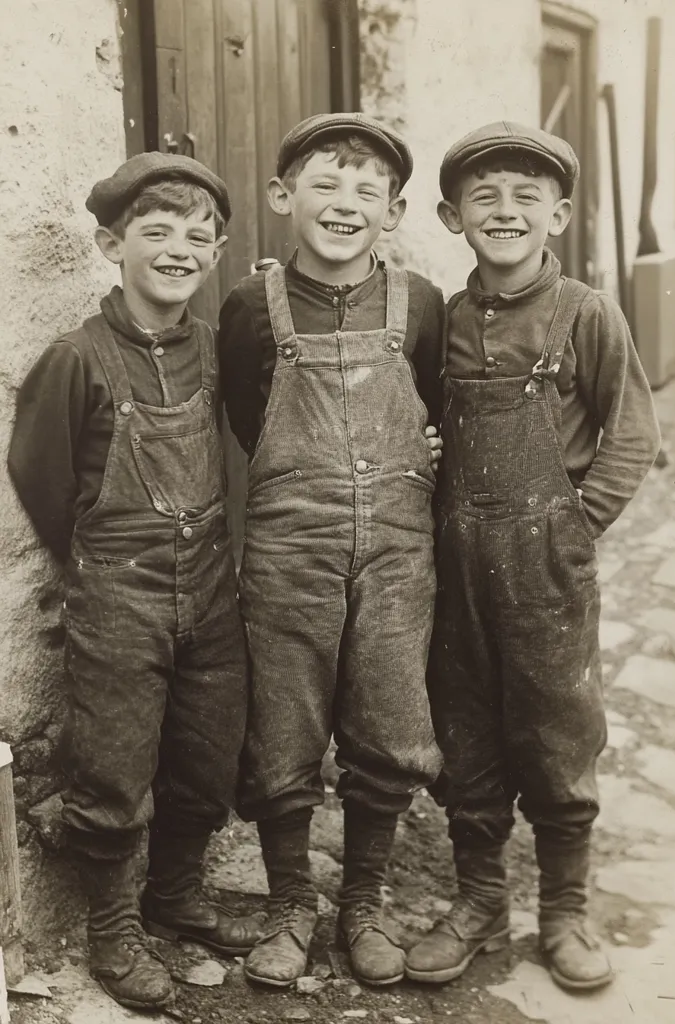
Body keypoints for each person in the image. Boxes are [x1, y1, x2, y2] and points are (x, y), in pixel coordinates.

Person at [405, 121, 661, 993]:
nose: (504, 211)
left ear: (557, 214)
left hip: (548, 567)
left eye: (525, 197)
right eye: (484, 197)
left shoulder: (588, 312)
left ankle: (564, 909)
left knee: (558, 734)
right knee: (465, 732)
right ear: (452, 217)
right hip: (459, 564)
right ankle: (479, 902)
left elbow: (632, 436)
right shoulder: (441, 317)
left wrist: (576, 526)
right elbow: (427, 421)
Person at [8, 153, 262, 1011]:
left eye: (199, 236)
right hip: (120, 594)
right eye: (157, 232)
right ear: (114, 244)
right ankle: (114, 928)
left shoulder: (217, 349)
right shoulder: (76, 359)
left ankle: (176, 894)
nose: (179, 249)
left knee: (208, 750)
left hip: (213, 591)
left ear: (218, 251)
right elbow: (39, 477)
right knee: (115, 767)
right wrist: (102, 569)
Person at [218, 112, 444, 989]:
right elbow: (248, 415)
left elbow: (435, 407)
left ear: (391, 210)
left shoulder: (419, 302)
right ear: (285, 196)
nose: (345, 203)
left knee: (388, 721)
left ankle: (362, 899)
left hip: (397, 547)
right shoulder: (249, 306)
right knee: (284, 724)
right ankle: (289, 903)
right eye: (325, 182)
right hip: (288, 545)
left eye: (367, 190)